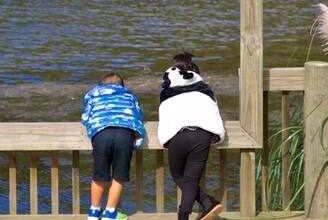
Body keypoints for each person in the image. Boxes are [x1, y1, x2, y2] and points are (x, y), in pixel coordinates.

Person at [158, 52, 225, 220]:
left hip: (178, 136)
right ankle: (203, 205)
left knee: (179, 176)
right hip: (202, 135)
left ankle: (204, 204)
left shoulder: (167, 92)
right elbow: (213, 110)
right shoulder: (204, 90)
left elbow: (165, 115)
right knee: (191, 179)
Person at [82, 73, 146, 220]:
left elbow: (85, 117)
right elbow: (139, 115)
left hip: (102, 133)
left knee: (99, 175)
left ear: (100, 85)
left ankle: (94, 212)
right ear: (121, 86)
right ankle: (110, 213)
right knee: (119, 176)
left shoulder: (93, 95)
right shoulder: (130, 96)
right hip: (125, 134)